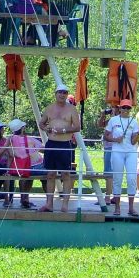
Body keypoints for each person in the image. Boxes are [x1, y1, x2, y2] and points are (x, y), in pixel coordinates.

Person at [38, 83, 81, 212]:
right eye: (60, 92)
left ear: (67, 95)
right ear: (55, 94)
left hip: (64, 144)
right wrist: (46, 129)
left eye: (65, 93)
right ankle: (49, 204)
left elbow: (77, 127)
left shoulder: (72, 109)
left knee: (66, 174)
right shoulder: (49, 108)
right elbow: (41, 123)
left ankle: (65, 204)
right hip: (51, 144)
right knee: (50, 174)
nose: (62, 95)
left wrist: (64, 130)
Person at [105, 99, 139, 216]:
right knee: (117, 179)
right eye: (124, 107)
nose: (125, 110)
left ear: (131, 109)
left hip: (131, 152)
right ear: (119, 108)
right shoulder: (113, 120)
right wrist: (115, 139)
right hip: (117, 152)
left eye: (128, 108)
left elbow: (133, 141)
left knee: (131, 178)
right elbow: (106, 136)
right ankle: (117, 207)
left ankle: (131, 207)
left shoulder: (134, 121)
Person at [8, 118, 44, 209]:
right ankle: (48, 200)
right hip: (35, 166)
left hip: (20, 168)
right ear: (22, 128)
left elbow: (10, 154)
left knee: (25, 176)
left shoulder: (10, 140)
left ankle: (24, 198)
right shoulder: (29, 139)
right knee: (48, 174)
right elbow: (43, 148)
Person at [96, 104, 120, 205]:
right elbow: (100, 125)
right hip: (107, 148)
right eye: (112, 107)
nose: (112, 109)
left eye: (115, 107)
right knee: (108, 172)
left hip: (113, 148)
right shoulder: (111, 120)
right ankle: (113, 196)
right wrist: (103, 115)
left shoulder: (119, 120)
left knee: (110, 172)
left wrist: (114, 115)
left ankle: (108, 197)